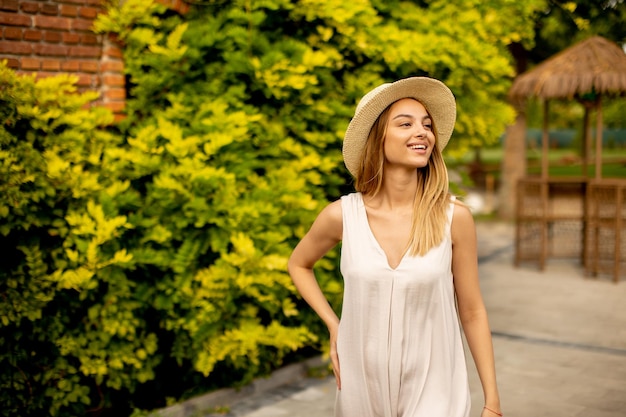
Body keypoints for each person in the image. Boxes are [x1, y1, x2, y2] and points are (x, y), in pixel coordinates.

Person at [287, 77, 502, 417]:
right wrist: (333, 325)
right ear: (379, 138)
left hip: (436, 386)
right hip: (360, 386)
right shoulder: (342, 215)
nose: (423, 132)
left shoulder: (453, 218)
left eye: (427, 125)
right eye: (406, 124)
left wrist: (492, 402)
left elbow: (473, 311)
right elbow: (298, 264)